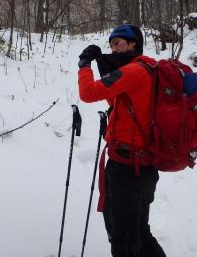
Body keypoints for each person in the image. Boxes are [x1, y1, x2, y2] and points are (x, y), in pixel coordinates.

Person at [78, 24, 166, 257]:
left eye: (117, 43)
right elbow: (123, 104)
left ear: (133, 43)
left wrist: (84, 64)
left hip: (127, 169)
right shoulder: (150, 68)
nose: (114, 49)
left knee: (123, 239)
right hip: (144, 167)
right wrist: (108, 74)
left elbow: (87, 93)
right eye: (111, 45)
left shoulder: (133, 71)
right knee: (139, 233)